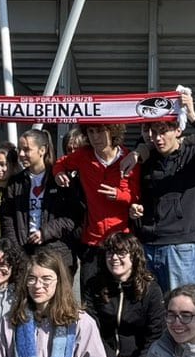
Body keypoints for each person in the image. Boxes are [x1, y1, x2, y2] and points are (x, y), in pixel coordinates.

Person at [133, 91, 195, 291]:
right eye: (153, 132)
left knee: (183, 308)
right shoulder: (147, 160)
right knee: (153, 310)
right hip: (148, 245)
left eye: (163, 131)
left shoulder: (194, 157)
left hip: (180, 248)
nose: (158, 138)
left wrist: (192, 116)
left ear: (177, 130)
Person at [53, 122, 140, 288]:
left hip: (121, 241)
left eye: (100, 131)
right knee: (90, 299)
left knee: (120, 295)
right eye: (91, 132)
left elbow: (136, 196)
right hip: (92, 242)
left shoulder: (128, 158)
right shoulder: (83, 155)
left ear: (113, 131)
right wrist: (59, 173)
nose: (95, 137)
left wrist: (119, 195)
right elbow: (60, 163)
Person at [85, 232, 166, 357]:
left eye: (121, 253)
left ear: (134, 257)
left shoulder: (151, 290)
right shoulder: (94, 286)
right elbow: (91, 329)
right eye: (110, 252)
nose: (114, 258)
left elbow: (155, 336)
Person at [2, 128, 85, 277]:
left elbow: (73, 216)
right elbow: (8, 218)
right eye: (20, 149)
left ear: (42, 150)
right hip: (25, 254)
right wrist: (16, 250)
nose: (21, 154)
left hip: (57, 254)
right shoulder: (15, 183)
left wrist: (45, 232)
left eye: (26, 150)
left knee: (59, 300)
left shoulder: (60, 179)